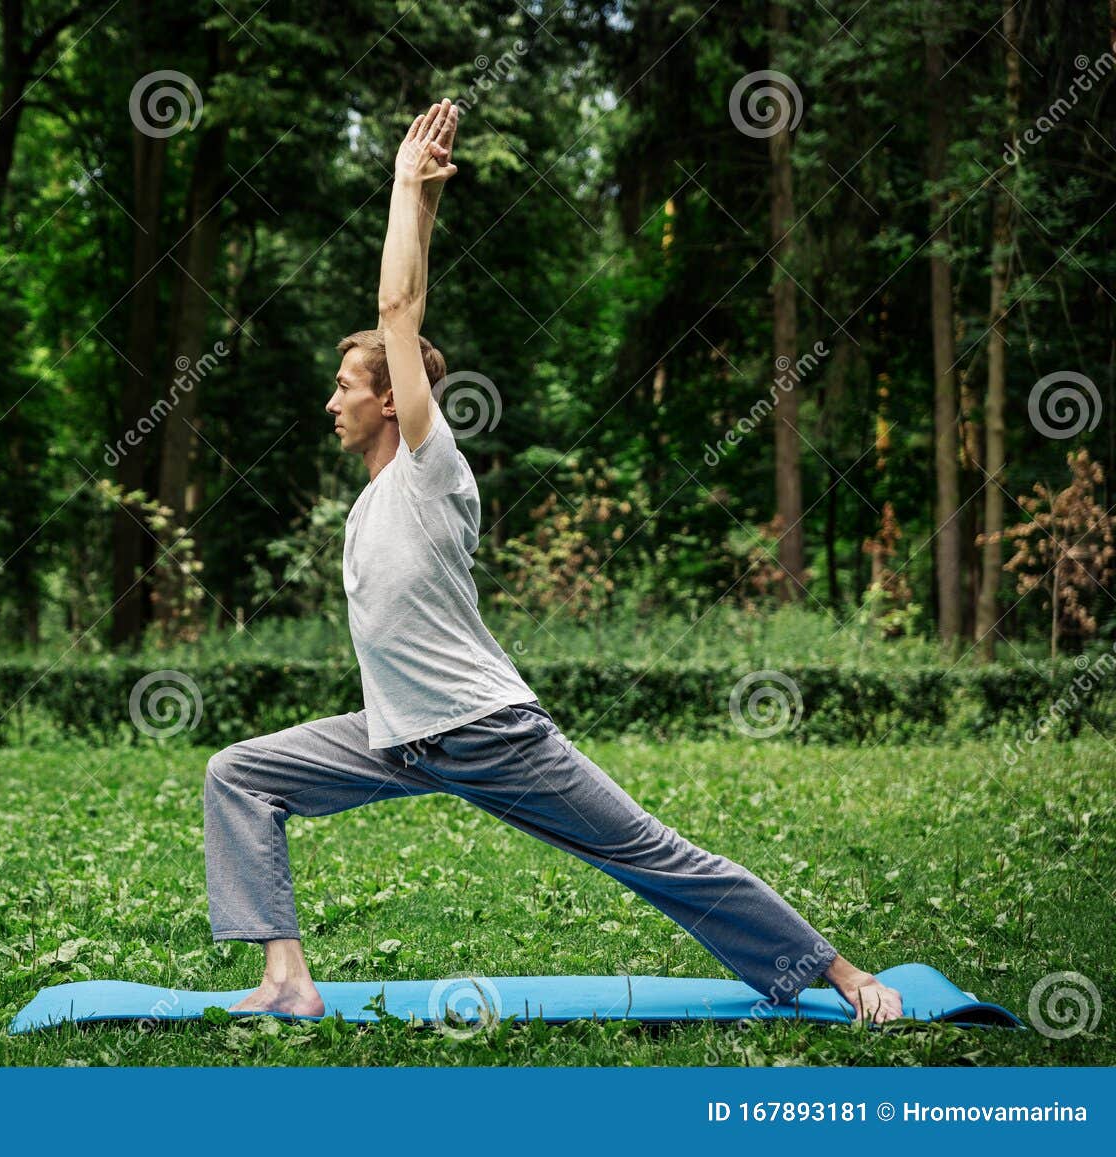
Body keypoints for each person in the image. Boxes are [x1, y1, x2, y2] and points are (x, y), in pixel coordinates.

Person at [202, 98, 903, 1026]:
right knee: (239, 774)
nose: (329, 401)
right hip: (397, 733)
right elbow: (405, 312)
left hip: (484, 728)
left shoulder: (430, 468)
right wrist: (427, 204)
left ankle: (842, 973)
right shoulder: (374, 498)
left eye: (344, 386)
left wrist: (402, 191)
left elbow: (399, 308)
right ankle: (287, 980)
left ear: (391, 402)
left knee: (651, 854)